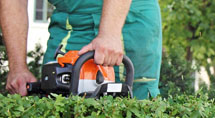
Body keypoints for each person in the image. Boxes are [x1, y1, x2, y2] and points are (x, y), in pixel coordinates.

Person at [0, 0, 162, 99]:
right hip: (67, 20)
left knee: (131, 108)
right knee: (56, 98)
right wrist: (17, 67)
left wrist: (110, 33)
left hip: (125, 18)